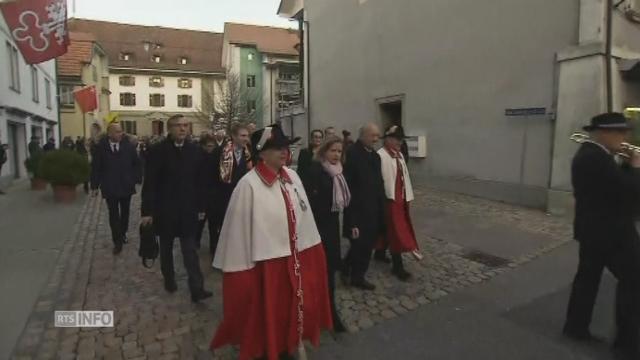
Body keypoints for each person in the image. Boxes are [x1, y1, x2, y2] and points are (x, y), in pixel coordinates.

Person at [211, 124, 332, 360]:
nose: (284, 152)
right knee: (270, 316)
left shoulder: (293, 177)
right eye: (277, 148)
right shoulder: (248, 185)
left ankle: (289, 344)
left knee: (292, 312)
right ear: (261, 153)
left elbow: (305, 217)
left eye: (285, 147)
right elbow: (237, 237)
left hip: (295, 259)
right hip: (267, 267)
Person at [563, 113, 640, 360]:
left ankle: (575, 327)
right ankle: (628, 344)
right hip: (611, 234)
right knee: (634, 280)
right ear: (604, 133)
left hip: (593, 230)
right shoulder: (596, 158)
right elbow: (626, 192)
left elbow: (614, 187)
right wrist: (636, 167)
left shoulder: (594, 155)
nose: (626, 137)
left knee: (587, 279)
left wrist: (626, 164)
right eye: (621, 132)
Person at [141, 115, 212, 303]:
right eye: (178, 126)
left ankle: (197, 288)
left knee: (190, 250)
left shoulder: (195, 151)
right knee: (166, 249)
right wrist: (147, 211)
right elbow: (150, 183)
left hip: (188, 209)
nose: (182, 129)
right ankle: (169, 278)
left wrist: (202, 206)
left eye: (185, 126)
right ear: (169, 129)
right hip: (165, 210)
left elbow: (201, 182)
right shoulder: (157, 151)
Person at [306, 136, 349, 332]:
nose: (336, 155)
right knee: (316, 272)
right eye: (333, 151)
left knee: (330, 272)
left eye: (339, 151)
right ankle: (313, 311)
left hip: (332, 228)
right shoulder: (316, 170)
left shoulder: (338, 173)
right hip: (316, 228)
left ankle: (331, 312)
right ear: (324, 151)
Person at [342, 123, 385, 290]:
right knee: (360, 245)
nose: (376, 139)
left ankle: (348, 267)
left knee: (366, 245)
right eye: (373, 136)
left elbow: (379, 184)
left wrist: (382, 209)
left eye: (377, 136)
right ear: (363, 135)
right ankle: (357, 276)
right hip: (357, 211)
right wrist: (351, 218)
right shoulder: (352, 154)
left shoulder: (375, 157)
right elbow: (348, 187)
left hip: (373, 210)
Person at [374, 125, 420, 281]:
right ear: (388, 139)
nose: (400, 142)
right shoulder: (380, 156)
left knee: (388, 228)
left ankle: (379, 252)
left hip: (400, 198)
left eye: (401, 139)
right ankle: (397, 266)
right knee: (396, 230)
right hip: (389, 199)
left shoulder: (399, 155)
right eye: (397, 139)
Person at [91, 123, 142, 255]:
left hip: (126, 185)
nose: (120, 134)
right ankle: (117, 241)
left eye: (121, 132)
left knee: (125, 212)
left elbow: (137, 163)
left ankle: (123, 232)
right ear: (109, 134)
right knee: (113, 214)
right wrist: (95, 186)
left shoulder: (128, 146)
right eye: (117, 132)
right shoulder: (100, 148)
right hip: (110, 186)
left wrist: (135, 179)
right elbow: (96, 167)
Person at [204, 122, 252, 258]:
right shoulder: (220, 152)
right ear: (233, 136)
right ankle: (216, 253)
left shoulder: (247, 153)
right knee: (217, 227)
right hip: (220, 196)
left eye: (247, 136)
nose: (246, 139)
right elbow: (210, 176)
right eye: (243, 136)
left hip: (239, 197)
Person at [194, 134, 217, 251]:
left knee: (213, 224)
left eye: (212, 146)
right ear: (203, 146)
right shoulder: (197, 158)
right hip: (201, 197)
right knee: (199, 222)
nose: (211, 148)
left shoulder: (215, 157)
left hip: (213, 196)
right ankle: (196, 241)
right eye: (208, 146)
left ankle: (213, 246)